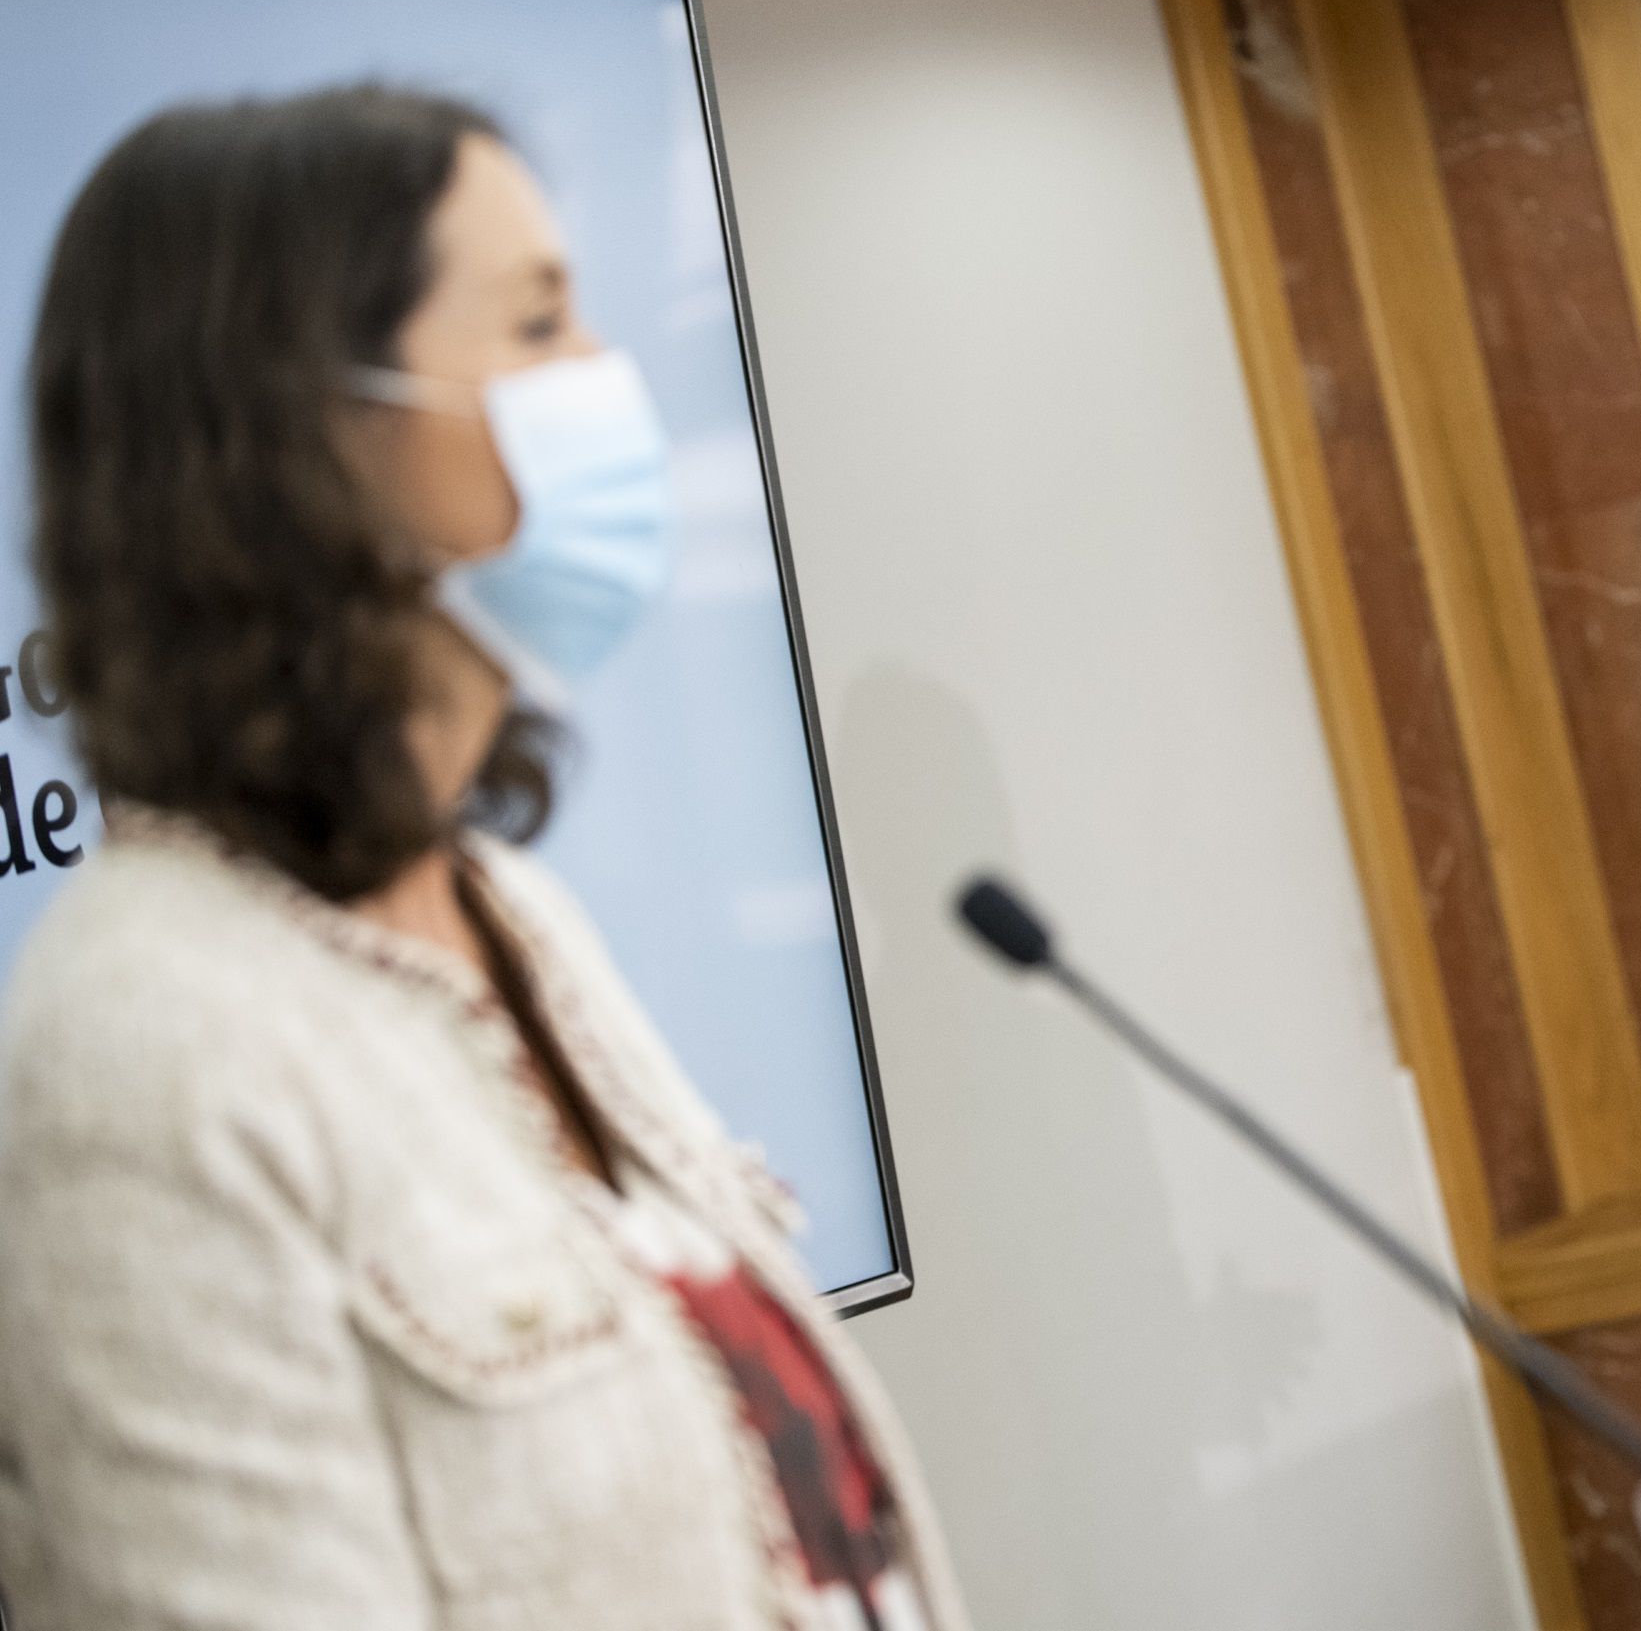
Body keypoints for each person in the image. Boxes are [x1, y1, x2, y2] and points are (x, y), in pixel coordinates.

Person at [0, 85, 964, 1631]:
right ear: (312, 432)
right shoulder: (141, 1042)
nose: (608, 380)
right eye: (538, 326)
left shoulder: (514, 912)